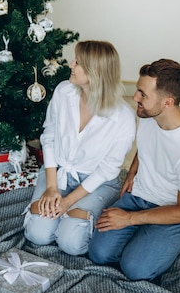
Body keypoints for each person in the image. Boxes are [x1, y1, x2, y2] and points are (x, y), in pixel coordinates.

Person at [88, 59, 180, 281]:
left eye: (142, 94)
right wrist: (133, 172)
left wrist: (128, 219)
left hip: (174, 211)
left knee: (135, 269)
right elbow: (146, 145)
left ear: (167, 102)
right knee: (99, 253)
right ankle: (143, 238)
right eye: (138, 90)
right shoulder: (148, 114)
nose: (135, 98)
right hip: (139, 196)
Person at [24, 40, 136, 256]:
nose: (71, 65)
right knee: (38, 234)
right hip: (59, 174)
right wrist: (51, 187)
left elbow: (107, 170)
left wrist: (67, 203)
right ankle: (65, 216)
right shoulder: (63, 92)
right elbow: (49, 137)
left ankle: (78, 218)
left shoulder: (123, 117)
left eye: (78, 62)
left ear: (95, 72)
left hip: (97, 182)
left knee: (71, 243)